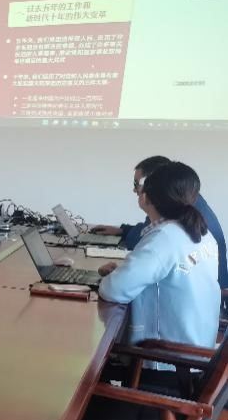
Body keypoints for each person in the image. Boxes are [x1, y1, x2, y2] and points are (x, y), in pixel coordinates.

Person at [98, 161, 220, 374]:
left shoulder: (164, 238)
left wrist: (114, 277)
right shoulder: (200, 232)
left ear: (145, 197)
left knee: (90, 364)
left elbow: (113, 290)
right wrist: (123, 273)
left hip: (166, 363)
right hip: (198, 355)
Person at [91, 155, 228, 288]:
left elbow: (142, 241)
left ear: (153, 183)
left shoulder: (166, 232)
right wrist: (123, 230)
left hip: (212, 295)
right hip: (206, 296)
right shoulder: (185, 207)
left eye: (137, 184)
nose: (135, 190)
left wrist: (118, 276)